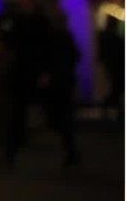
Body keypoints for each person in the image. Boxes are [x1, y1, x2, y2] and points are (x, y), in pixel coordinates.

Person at [1, 0, 49, 165]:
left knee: (17, 109)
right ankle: (15, 143)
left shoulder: (20, 23)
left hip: (23, 70)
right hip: (26, 70)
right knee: (19, 109)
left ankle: (13, 146)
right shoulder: (36, 23)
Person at [44, 9, 80, 166]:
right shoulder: (66, 37)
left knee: (61, 114)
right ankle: (70, 149)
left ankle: (69, 149)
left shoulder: (53, 38)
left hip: (58, 80)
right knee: (65, 114)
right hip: (65, 79)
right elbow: (76, 56)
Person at [97, 19, 123, 118]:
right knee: (116, 88)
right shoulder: (114, 38)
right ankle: (114, 108)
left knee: (115, 88)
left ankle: (111, 107)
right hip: (115, 67)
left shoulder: (104, 38)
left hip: (111, 66)